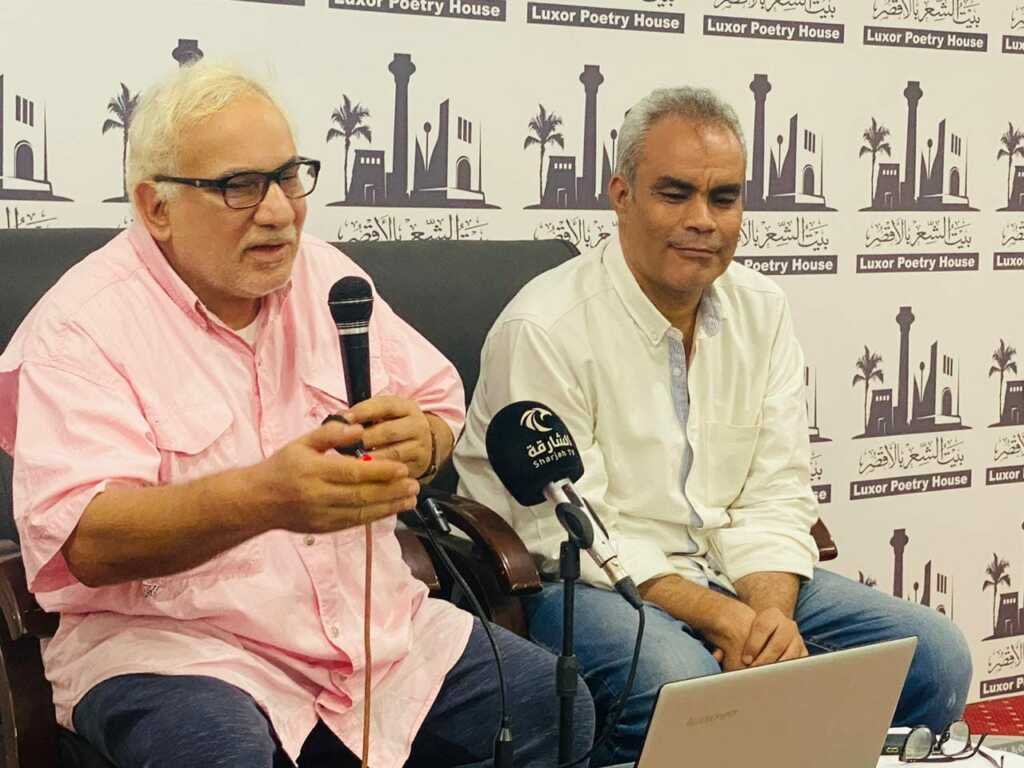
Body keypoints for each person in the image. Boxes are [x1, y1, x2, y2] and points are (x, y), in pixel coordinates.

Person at [0, 60, 594, 768]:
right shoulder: (81, 326)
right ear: (156, 207)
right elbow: (87, 541)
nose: (280, 211)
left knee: (548, 705)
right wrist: (266, 498)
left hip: (370, 634)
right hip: (181, 648)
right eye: (239, 186)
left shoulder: (328, 277)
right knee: (216, 752)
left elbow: (435, 407)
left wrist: (424, 442)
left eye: (287, 177)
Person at [454, 86, 972, 767]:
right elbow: (572, 531)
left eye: (723, 198)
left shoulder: (763, 308)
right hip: (583, 582)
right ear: (621, 196)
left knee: (935, 656)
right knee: (689, 688)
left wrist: (769, 617)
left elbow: (777, 492)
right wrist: (724, 618)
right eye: (675, 195)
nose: (702, 220)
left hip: (727, 567)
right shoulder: (544, 328)